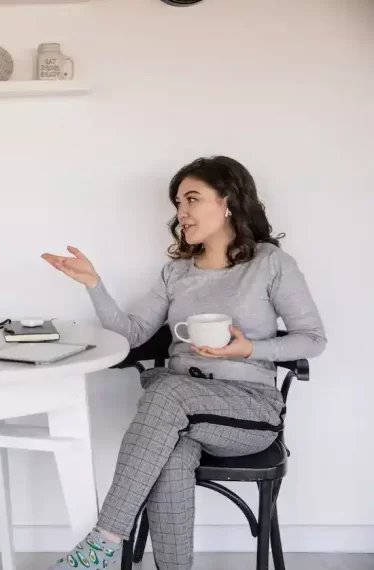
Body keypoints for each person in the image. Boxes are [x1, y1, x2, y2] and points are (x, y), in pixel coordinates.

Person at [41, 156, 326, 570]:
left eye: (192, 199)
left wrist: (249, 351)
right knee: (171, 454)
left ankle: (104, 542)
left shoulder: (270, 263)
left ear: (227, 201)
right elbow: (133, 336)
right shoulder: (175, 272)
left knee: (166, 390)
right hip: (179, 412)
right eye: (178, 202)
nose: (182, 212)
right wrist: (93, 285)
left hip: (248, 410)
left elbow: (313, 340)